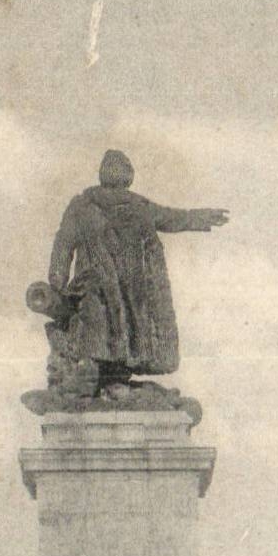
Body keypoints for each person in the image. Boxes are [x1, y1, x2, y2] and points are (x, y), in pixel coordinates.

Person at [47, 149, 228, 384]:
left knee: (97, 330)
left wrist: (57, 278)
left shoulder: (81, 206)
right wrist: (200, 217)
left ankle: (107, 378)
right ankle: (104, 379)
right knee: (122, 331)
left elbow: (63, 243)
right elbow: (172, 218)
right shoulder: (138, 207)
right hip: (131, 290)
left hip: (95, 285)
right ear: (128, 176)